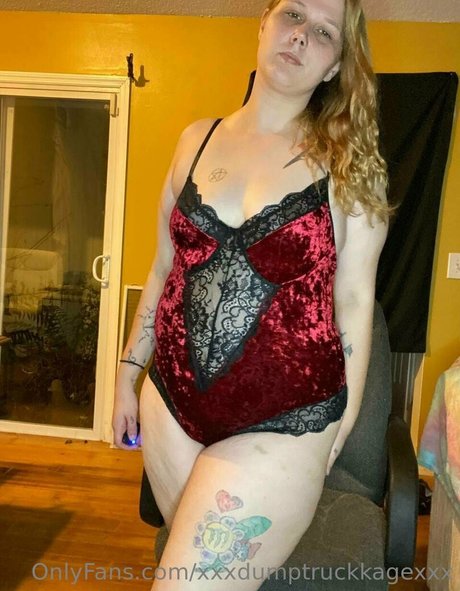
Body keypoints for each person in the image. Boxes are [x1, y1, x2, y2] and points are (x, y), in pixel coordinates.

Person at [113, 0, 389, 588]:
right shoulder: (195, 140)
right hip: (173, 407)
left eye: (324, 33)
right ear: (264, 23)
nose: (302, 36)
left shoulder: (349, 166)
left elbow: (354, 301)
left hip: (283, 422)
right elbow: (163, 269)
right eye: (293, 15)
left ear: (334, 66)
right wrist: (125, 375)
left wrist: (341, 425)